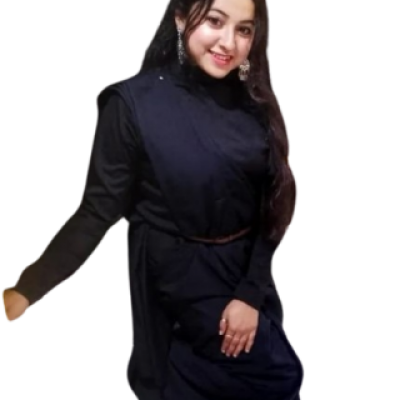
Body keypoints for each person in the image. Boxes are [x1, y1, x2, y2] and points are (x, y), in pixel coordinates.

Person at [2, 0, 304, 399]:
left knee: (276, 378)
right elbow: (95, 213)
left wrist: (249, 294)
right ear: (180, 18)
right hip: (176, 285)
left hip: (248, 275)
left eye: (244, 29)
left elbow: (273, 207)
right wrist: (28, 289)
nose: (228, 42)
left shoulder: (255, 100)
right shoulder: (133, 104)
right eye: (215, 21)